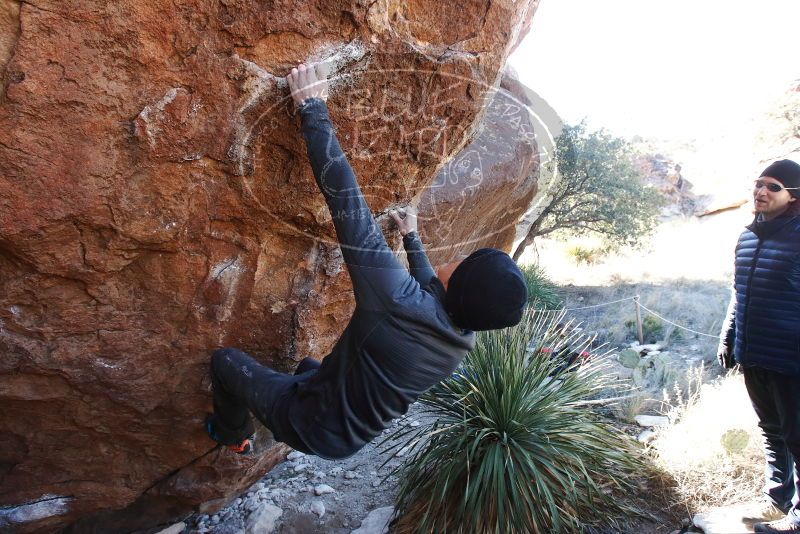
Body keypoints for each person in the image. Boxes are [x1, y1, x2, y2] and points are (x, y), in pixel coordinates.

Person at [205, 63, 528, 460]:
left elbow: (347, 203)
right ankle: (288, 404)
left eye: (466, 262)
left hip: (306, 422)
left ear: (458, 285)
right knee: (309, 367)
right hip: (346, 435)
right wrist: (410, 237)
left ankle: (231, 434)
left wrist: (312, 108)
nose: (460, 255)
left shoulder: (398, 303)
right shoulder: (461, 338)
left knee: (225, 362)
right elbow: (432, 289)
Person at [718, 159, 800, 533]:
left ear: (793, 196)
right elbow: (739, 292)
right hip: (754, 354)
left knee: (798, 436)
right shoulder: (748, 235)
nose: (761, 192)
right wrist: (729, 334)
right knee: (771, 430)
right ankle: (777, 501)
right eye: (758, 184)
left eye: (772, 186)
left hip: (791, 357)